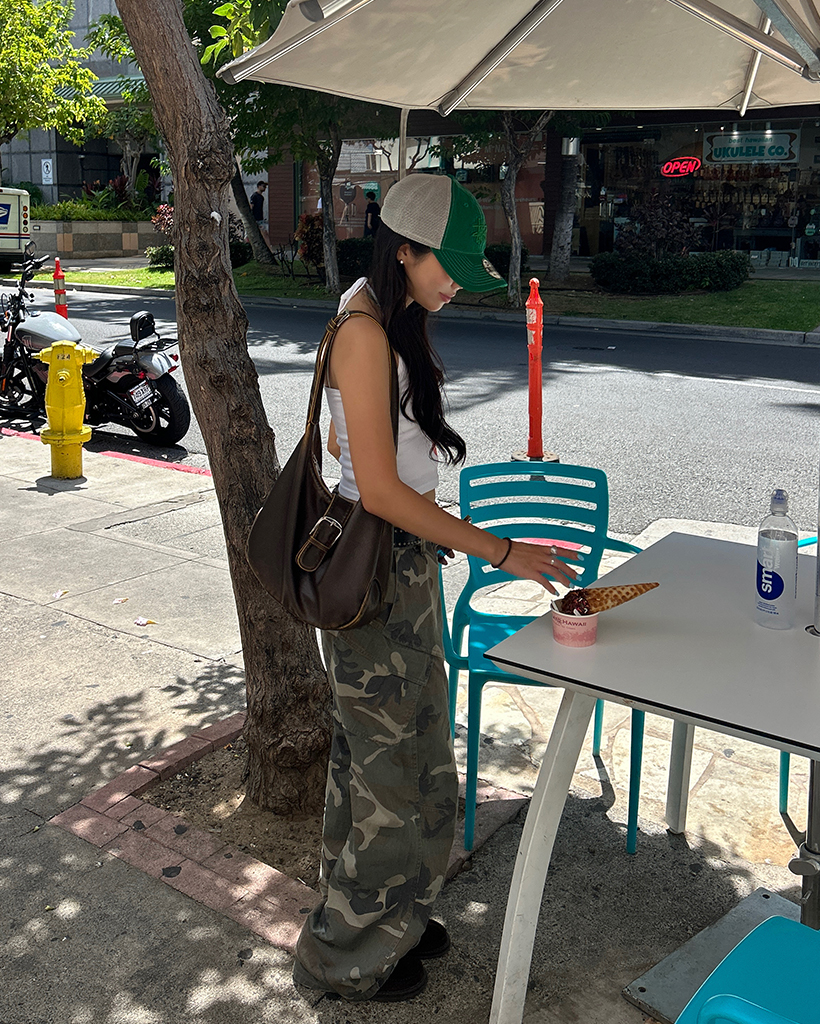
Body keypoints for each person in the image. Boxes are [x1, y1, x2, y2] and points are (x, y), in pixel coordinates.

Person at [292, 173, 580, 1004]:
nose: (455, 284)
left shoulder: (387, 318)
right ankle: (344, 956)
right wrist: (502, 551)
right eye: (446, 266)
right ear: (404, 251)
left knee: (395, 756)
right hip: (377, 569)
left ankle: (390, 917)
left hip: (401, 566)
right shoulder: (364, 333)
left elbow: (378, 461)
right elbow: (381, 490)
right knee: (395, 771)